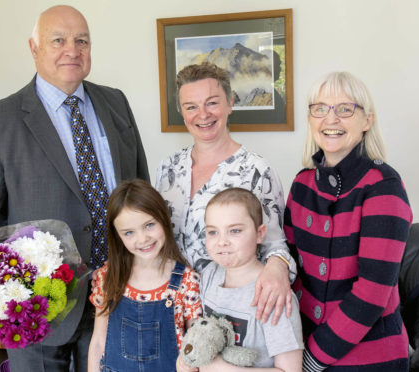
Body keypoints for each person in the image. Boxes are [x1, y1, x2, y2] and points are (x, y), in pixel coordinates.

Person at [0, 5, 149, 372]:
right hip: (41, 314)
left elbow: (140, 191)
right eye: (58, 40)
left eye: (82, 40)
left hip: (119, 295)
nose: (72, 50)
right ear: (33, 48)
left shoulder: (116, 103)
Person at [284, 71, 412, 371]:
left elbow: (371, 293)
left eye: (345, 109)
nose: (331, 120)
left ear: (367, 120)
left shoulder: (383, 186)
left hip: (369, 357)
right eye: (320, 108)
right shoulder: (302, 184)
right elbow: (290, 265)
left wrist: (311, 360)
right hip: (301, 343)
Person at [155, 62, 295, 324]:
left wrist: (277, 267)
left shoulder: (256, 171)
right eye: (191, 106)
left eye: (212, 102)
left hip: (231, 313)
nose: (203, 114)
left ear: (230, 103)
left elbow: (276, 245)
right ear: (182, 113)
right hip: (170, 309)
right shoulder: (167, 169)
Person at [177, 188, 303, 372]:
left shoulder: (273, 294)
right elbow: (202, 336)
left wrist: (220, 367)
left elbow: (290, 370)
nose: (222, 242)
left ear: (260, 233)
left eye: (234, 231)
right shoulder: (209, 275)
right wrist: (186, 360)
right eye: (212, 232)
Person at [88, 179, 202, 372]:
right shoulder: (108, 277)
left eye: (149, 225)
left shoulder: (187, 281)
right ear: (118, 236)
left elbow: (196, 344)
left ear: (164, 218)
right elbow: (99, 341)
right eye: (129, 232)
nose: (142, 239)